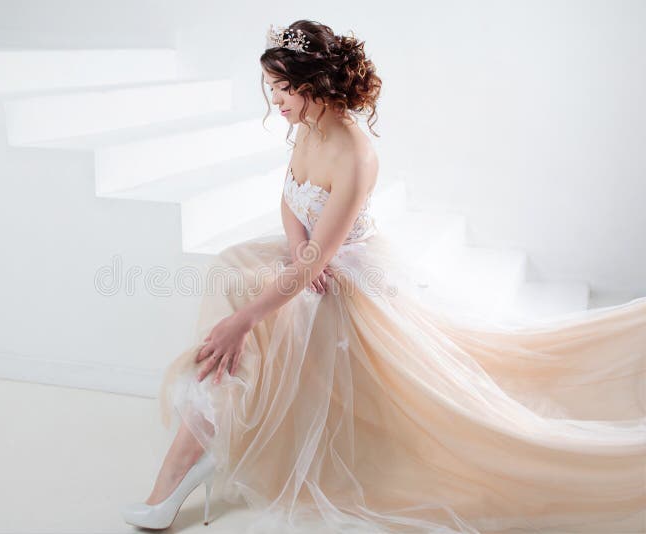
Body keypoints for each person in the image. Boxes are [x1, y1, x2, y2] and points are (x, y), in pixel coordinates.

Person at [121, 19, 646, 534]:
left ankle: (183, 465)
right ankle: (201, 446)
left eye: (283, 88)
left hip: (345, 273)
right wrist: (300, 248)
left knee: (261, 316)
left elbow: (315, 268)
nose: (274, 101)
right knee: (230, 269)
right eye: (271, 87)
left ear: (315, 85)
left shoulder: (354, 151)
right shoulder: (305, 126)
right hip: (311, 258)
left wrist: (262, 302)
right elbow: (290, 197)